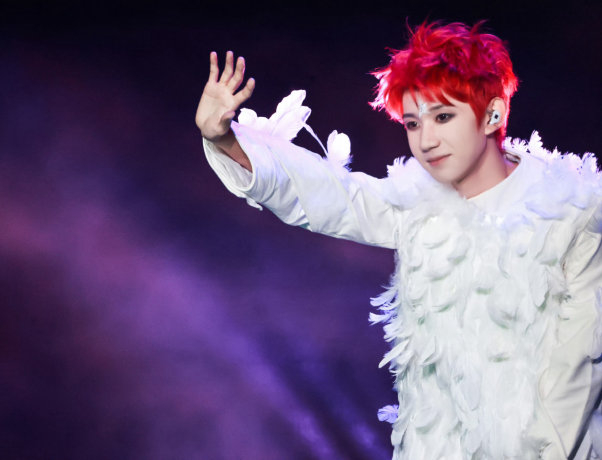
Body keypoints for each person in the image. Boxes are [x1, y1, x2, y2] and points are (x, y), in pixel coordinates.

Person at [195, 21, 602, 459]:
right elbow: (334, 196)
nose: (426, 140)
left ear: (493, 115)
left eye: (443, 117)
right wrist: (224, 139)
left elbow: (577, 372)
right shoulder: (417, 205)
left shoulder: (575, 213)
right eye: (412, 123)